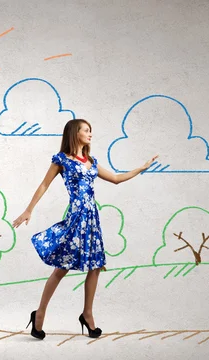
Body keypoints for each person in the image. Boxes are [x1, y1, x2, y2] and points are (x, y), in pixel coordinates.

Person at [13, 119, 158, 339]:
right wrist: (28, 210)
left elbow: (117, 179)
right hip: (76, 217)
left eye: (91, 130)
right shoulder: (62, 160)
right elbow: (44, 184)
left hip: (92, 219)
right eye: (86, 130)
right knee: (61, 268)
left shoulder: (91, 161)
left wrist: (141, 168)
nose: (90, 134)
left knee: (96, 266)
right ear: (75, 133)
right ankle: (40, 313)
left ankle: (87, 315)